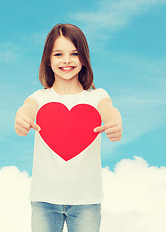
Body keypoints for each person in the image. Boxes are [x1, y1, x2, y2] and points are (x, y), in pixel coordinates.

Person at [14, 23, 122, 232]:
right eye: (58, 54)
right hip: (44, 199)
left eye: (74, 53)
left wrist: (115, 122)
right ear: (48, 59)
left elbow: (110, 110)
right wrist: (21, 119)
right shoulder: (40, 98)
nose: (66, 60)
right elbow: (25, 109)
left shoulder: (96, 96)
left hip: (87, 201)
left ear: (84, 58)